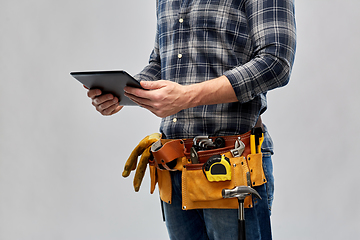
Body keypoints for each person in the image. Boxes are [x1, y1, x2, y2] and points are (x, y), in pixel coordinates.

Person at [87, 0, 296, 239]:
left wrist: (187, 96)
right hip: (174, 167)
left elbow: (276, 61)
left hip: (233, 164)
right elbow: (160, 64)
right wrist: (122, 92)